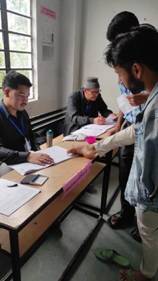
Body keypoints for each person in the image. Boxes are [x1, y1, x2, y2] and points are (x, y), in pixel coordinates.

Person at [68, 24, 158, 281]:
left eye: (119, 73)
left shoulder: (155, 106)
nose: (118, 80)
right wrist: (95, 147)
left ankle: (147, 275)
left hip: (152, 197)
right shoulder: (151, 98)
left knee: (150, 232)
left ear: (137, 69)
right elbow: (136, 132)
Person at [106, 11, 149, 232]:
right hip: (130, 124)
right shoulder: (121, 60)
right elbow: (123, 97)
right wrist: (117, 124)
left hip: (148, 128)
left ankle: (145, 224)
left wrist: (148, 96)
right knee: (125, 173)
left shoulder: (148, 58)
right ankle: (126, 213)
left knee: (145, 176)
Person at [0, 70, 54, 165]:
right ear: (7, 92)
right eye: (21, 95)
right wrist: (27, 156)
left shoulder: (22, 112)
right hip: (9, 167)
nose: (25, 101)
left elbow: (30, 136)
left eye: (27, 96)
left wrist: (37, 151)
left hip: (29, 162)